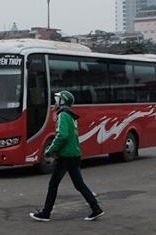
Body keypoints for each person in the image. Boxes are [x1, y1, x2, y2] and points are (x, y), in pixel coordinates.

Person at [30, 91, 103, 222]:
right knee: (79, 184)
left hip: (65, 156)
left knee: (53, 184)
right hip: (74, 154)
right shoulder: (71, 116)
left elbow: (62, 135)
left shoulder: (63, 115)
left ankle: (46, 213)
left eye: (57, 100)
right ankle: (96, 208)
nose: (54, 102)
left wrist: (50, 149)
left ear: (62, 101)